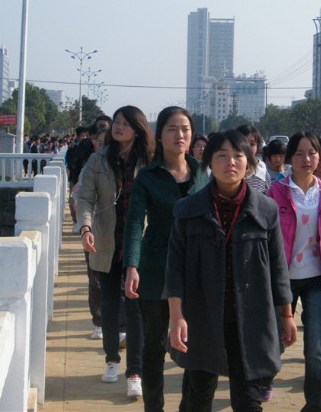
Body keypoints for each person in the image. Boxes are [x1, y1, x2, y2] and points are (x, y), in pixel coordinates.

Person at [167, 130, 298, 412]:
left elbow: (278, 268)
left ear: (249, 163)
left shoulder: (266, 210)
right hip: (202, 317)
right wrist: (176, 317)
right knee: (199, 394)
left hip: (250, 319)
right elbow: (175, 269)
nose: (230, 162)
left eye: (238, 156)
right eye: (222, 156)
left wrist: (286, 315)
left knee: (248, 400)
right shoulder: (187, 210)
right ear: (208, 162)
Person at [124, 106, 210, 412]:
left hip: (195, 271)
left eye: (185, 129)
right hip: (156, 268)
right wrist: (132, 265)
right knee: (154, 348)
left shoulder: (202, 173)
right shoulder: (148, 177)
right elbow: (135, 223)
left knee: (193, 348)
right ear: (159, 135)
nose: (180, 135)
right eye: (172, 129)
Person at [77, 107, 152, 397]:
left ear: (138, 128)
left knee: (135, 308)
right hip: (106, 242)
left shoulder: (149, 161)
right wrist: (85, 228)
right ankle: (111, 359)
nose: (118, 127)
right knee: (109, 306)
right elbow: (85, 197)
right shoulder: (98, 160)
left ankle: (135, 372)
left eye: (125, 123)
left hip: (138, 244)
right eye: (116, 122)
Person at [267, 132, 321, 412]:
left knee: (316, 349)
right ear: (290, 159)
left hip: (317, 281)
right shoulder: (275, 193)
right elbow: (267, 242)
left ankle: (315, 406)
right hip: (283, 280)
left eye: (312, 153)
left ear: (319, 157)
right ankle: (260, 382)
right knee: (275, 342)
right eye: (299, 153)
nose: (306, 159)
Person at [236, 125, 271, 193]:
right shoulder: (227, 169)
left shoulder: (262, 173)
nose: (247, 148)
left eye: (252, 144)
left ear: (257, 146)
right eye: (243, 143)